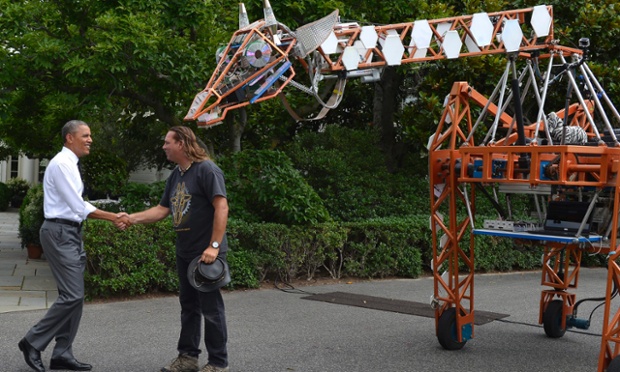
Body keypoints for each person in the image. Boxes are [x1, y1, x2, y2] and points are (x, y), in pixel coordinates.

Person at [18, 120, 128, 372]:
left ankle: (62, 353)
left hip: (69, 232)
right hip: (59, 232)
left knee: (74, 298)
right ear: (69, 138)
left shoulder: (70, 164)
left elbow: (77, 206)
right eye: (85, 135)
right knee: (73, 295)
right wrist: (115, 217)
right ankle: (32, 341)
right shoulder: (61, 164)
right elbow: (79, 208)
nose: (90, 140)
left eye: (90, 135)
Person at [122, 126, 230, 372]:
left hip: (206, 253)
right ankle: (188, 358)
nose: (164, 147)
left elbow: (222, 207)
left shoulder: (207, 170)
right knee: (189, 307)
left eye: (167, 142)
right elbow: (162, 210)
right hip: (185, 251)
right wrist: (131, 218)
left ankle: (218, 363)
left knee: (211, 310)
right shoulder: (176, 174)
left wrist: (213, 246)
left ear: (181, 143)